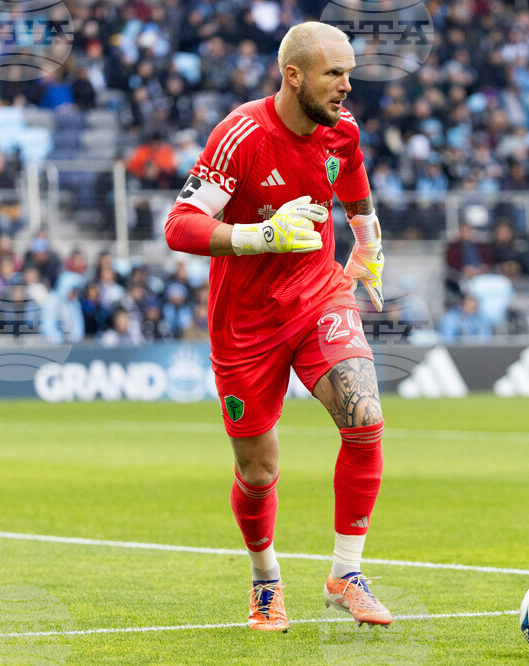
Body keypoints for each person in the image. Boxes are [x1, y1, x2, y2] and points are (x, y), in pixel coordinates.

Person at [163, 22, 389, 632]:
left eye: (349, 73)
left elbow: (352, 175)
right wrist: (260, 235)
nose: (347, 85)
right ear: (294, 76)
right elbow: (179, 225)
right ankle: (266, 580)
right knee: (257, 470)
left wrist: (366, 240)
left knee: (365, 418)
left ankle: (346, 574)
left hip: (318, 297)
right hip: (246, 323)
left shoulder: (342, 129)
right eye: (334, 73)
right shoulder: (240, 134)